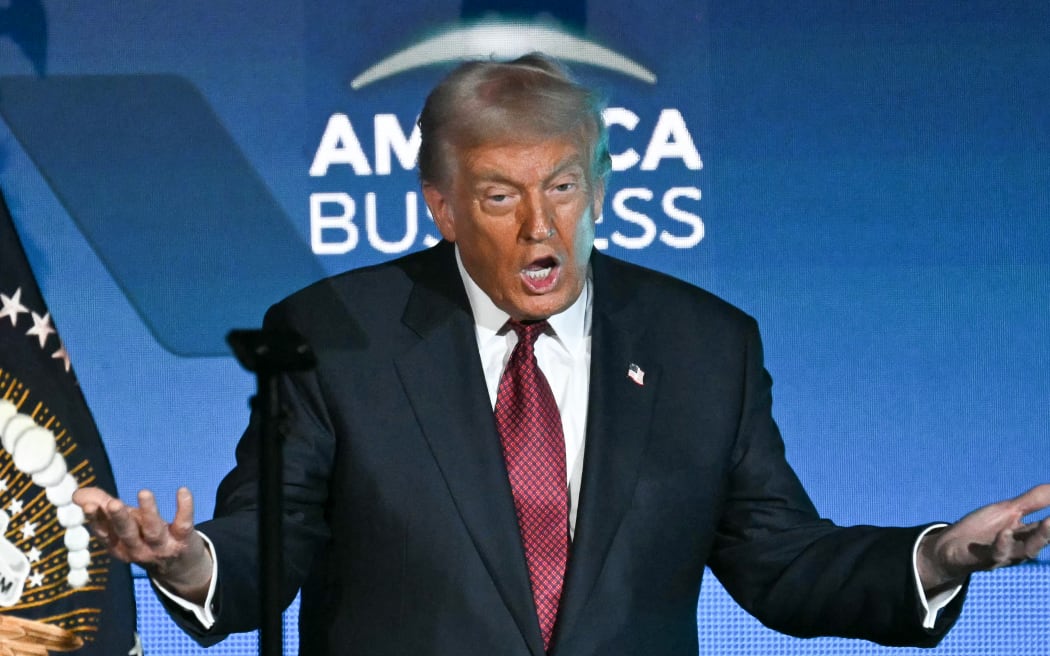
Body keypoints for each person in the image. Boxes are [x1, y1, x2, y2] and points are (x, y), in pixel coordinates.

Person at [74, 54, 1050, 655]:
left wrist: (940, 552)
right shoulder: (336, 335)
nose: (543, 227)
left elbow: (784, 564)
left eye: (567, 187)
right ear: (443, 205)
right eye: (501, 196)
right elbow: (268, 544)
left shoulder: (704, 346)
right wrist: (190, 558)